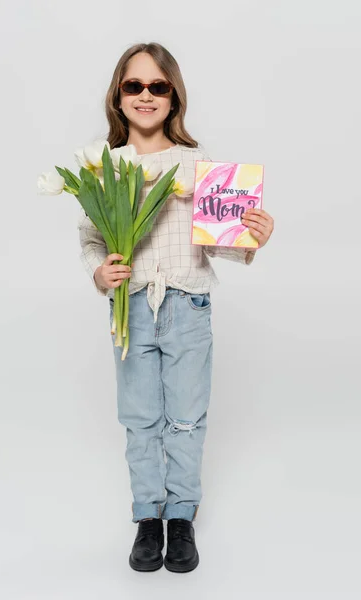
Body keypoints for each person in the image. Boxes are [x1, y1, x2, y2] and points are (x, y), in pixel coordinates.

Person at [78, 42, 274, 573]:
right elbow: (93, 238)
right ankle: (148, 516)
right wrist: (100, 273)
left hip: (187, 305)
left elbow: (218, 240)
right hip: (131, 305)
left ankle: (181, 516)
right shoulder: (103, 164)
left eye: (157, 86)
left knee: (186, 417)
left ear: (174, 96)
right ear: (118, 97)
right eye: (134, 86)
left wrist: (252, 236)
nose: (146, 95)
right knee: (140, 418)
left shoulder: (197, 162)